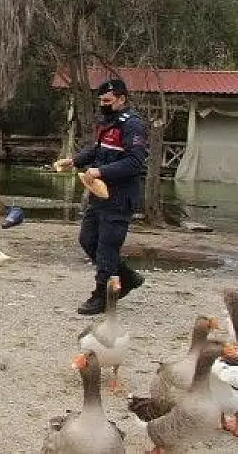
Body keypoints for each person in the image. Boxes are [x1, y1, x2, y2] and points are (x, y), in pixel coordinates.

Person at [54, 78, 148, 315]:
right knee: (88, 240)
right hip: (98, 194)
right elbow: (96, 150)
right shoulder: (106, 122)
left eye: (107, 100)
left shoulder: (132, 125)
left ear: (121, 99)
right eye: (101, 101)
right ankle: (127, 277)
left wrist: (101, 171)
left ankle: (102, 296)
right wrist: (74, 160)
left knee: (107, 247)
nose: (103, 105)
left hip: (119, 197)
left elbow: (135, 162)